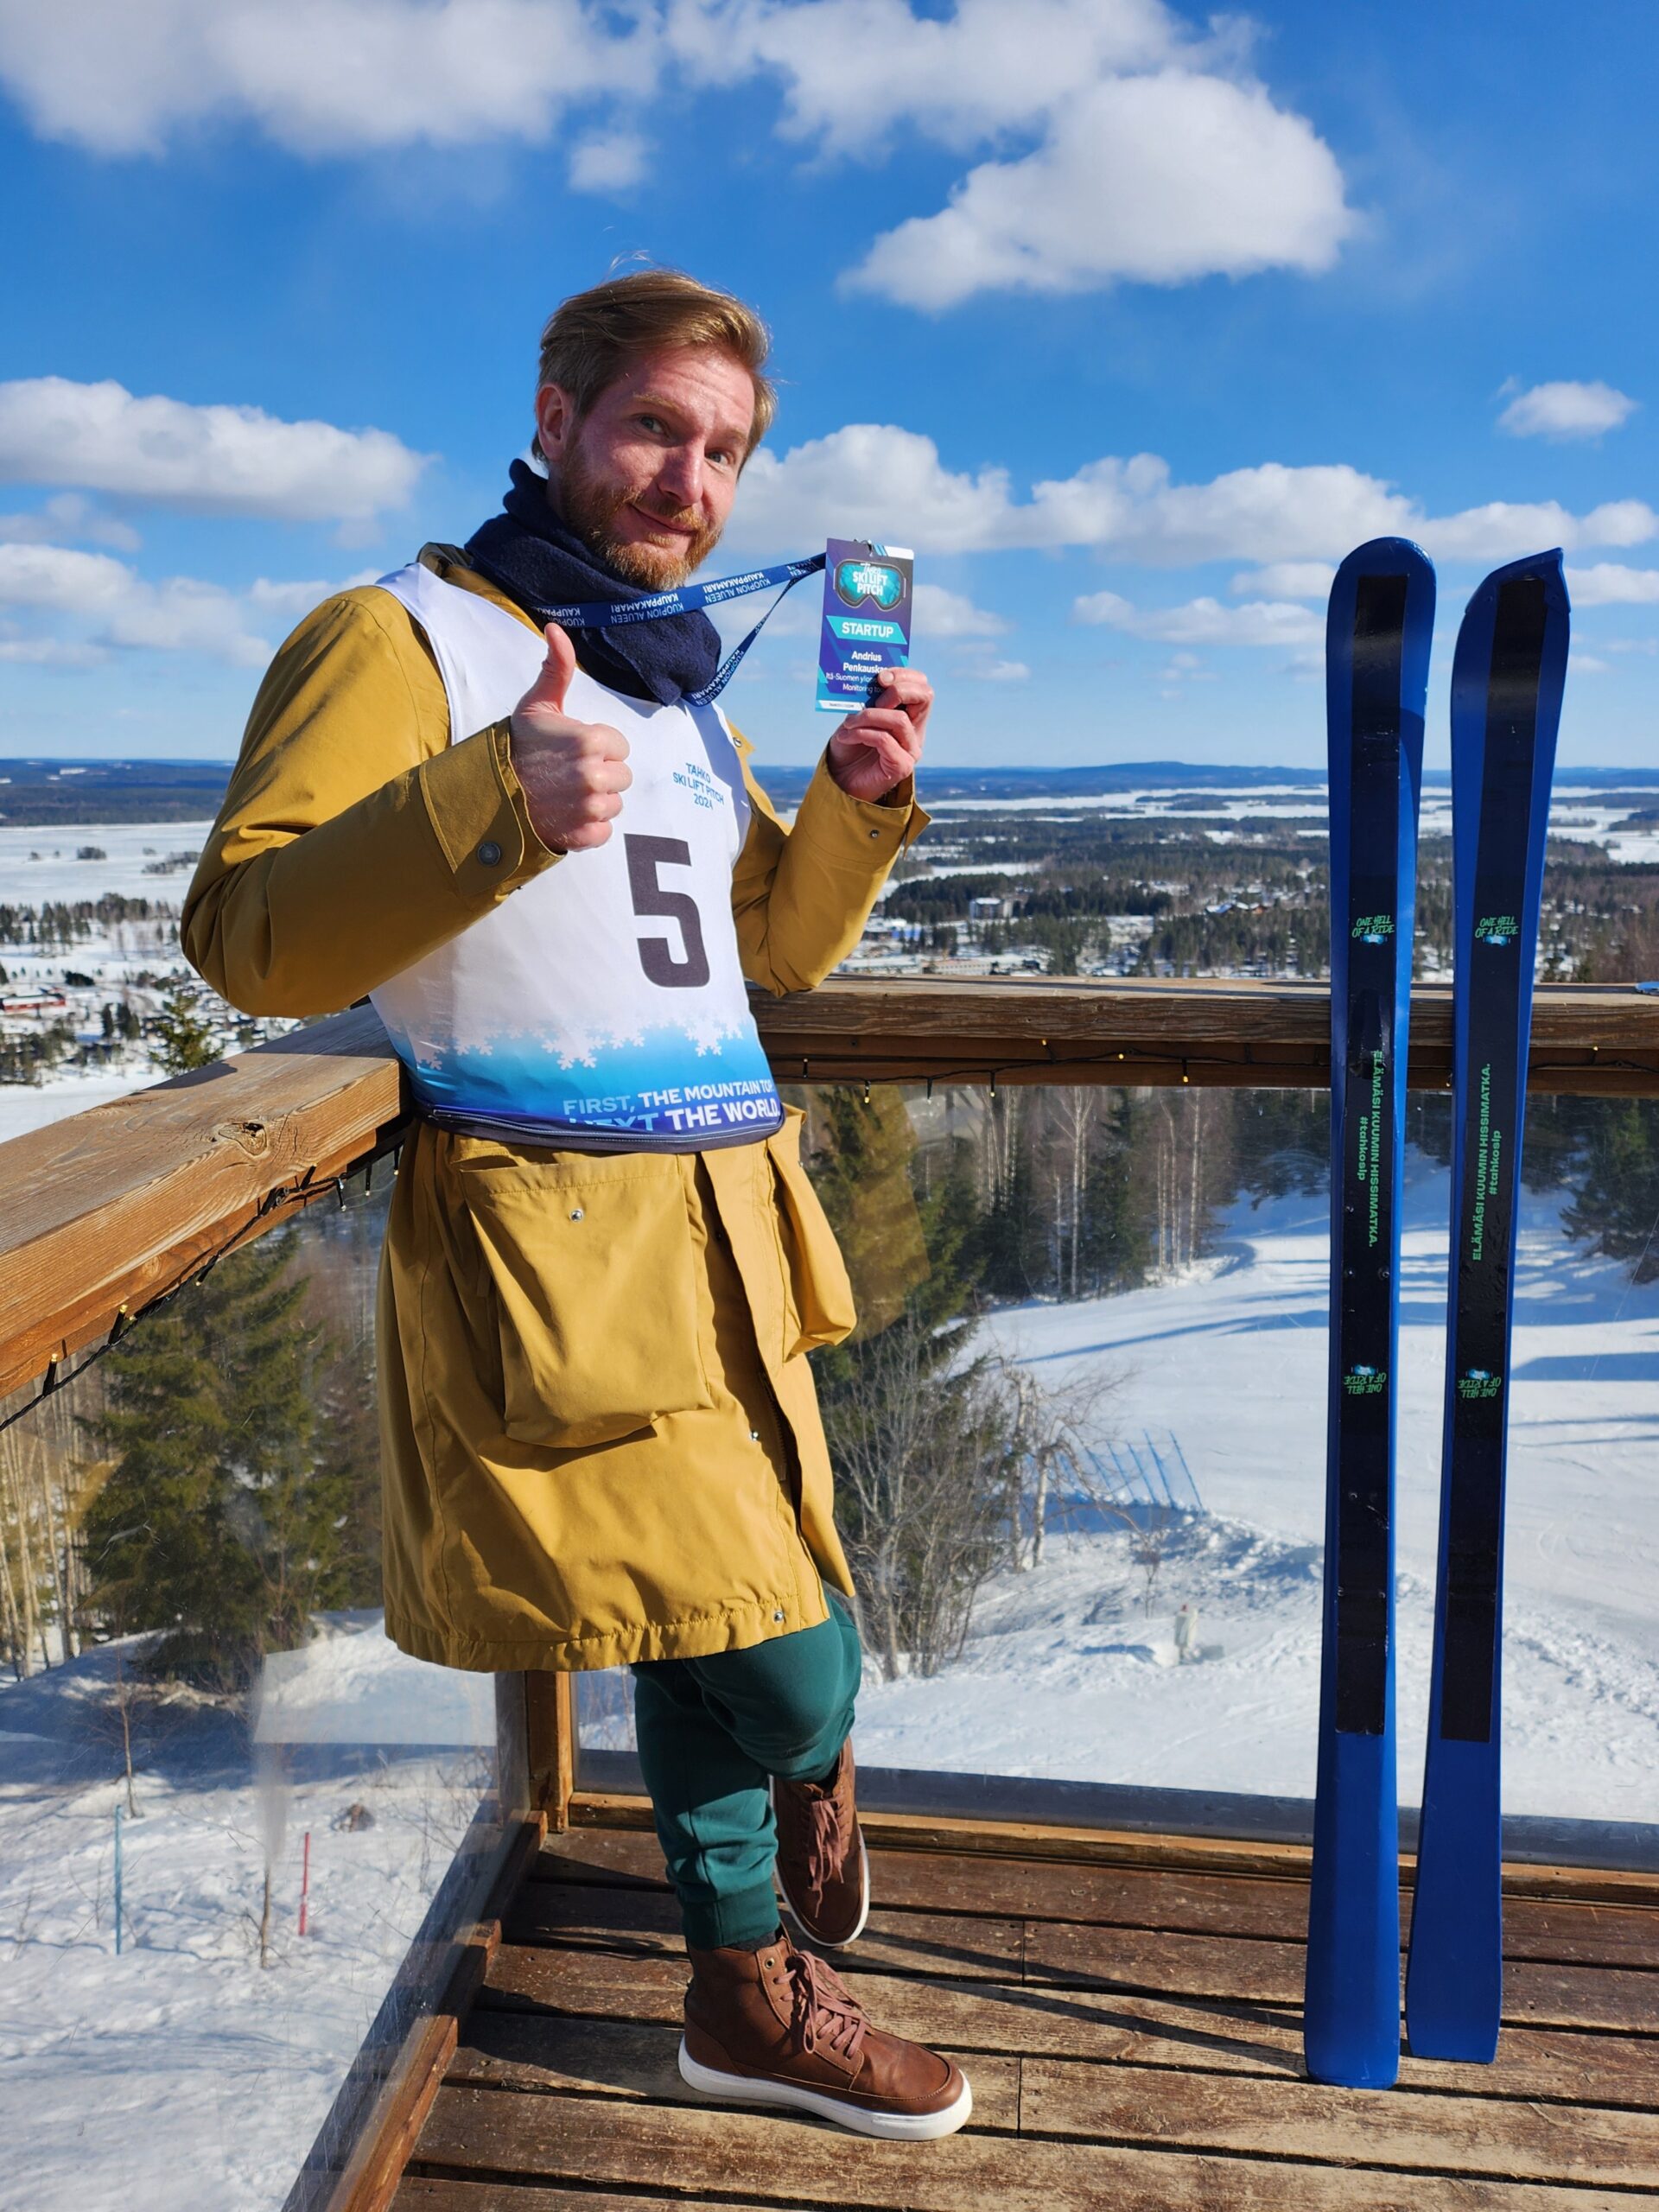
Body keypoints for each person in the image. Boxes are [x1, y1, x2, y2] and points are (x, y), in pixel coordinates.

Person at [182, 270, 969, 2141]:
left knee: (713, 1613)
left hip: (731, 1219)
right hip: (551, 1237)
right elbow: (249, 935)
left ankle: (739, 1990)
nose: (684, 477)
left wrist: (857, 800)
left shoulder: (679, 669)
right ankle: (793, 1832)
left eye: (719, 451)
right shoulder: (403, 637)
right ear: (552, 416)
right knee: (785, 1651)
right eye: (649, 428)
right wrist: (492, 797)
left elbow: (765, 947)